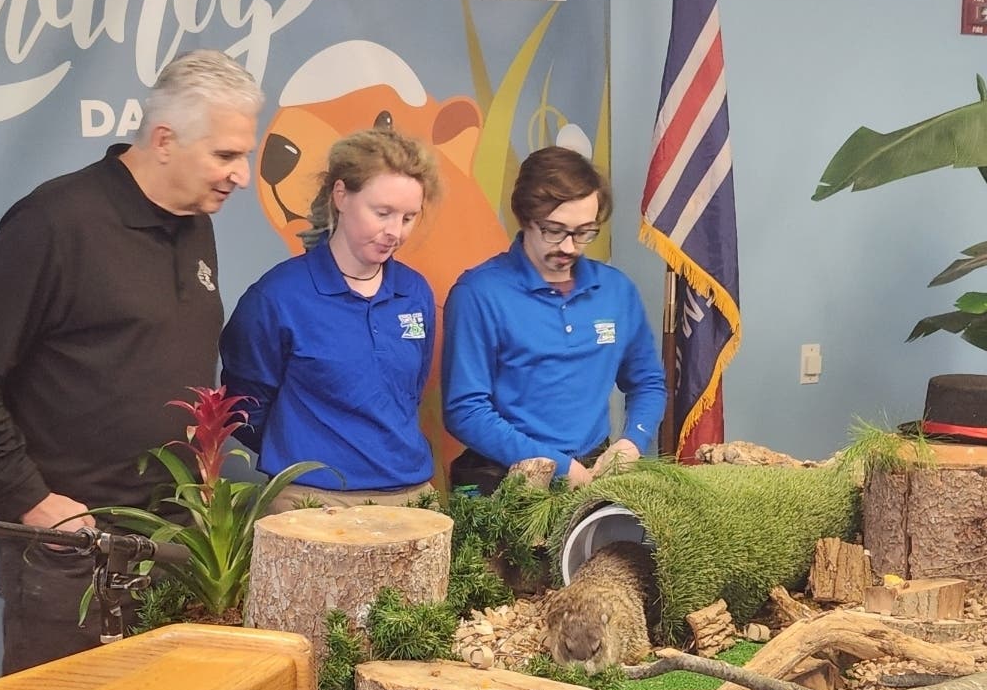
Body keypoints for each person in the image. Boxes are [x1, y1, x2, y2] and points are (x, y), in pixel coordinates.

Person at [0, 50, 263, 674]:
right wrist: (28, 499)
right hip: (70, 550)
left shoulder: (194, 222)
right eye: (225, 155)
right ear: (164, 140)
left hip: (171, 540)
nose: (241, 174)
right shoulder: (56, 222)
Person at [219, 128, 440, 512]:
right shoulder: (278, 296)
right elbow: (246, 409)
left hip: (410, 493)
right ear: (341, 196)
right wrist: (306, 448)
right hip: (311, 499)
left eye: (408, 217)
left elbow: (408, 392)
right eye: (382, 212)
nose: (394, 232)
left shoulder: (414, 291)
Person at [442, 145, 667, 494]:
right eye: (553, 230)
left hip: (593, 471)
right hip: (503, 479)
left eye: (584, 232)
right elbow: (465, 410)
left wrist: (632, 441)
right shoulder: (479, 292)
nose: (568, 247)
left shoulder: (616, 291)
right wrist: (557, 465)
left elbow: (648, 382)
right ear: (524, 216)